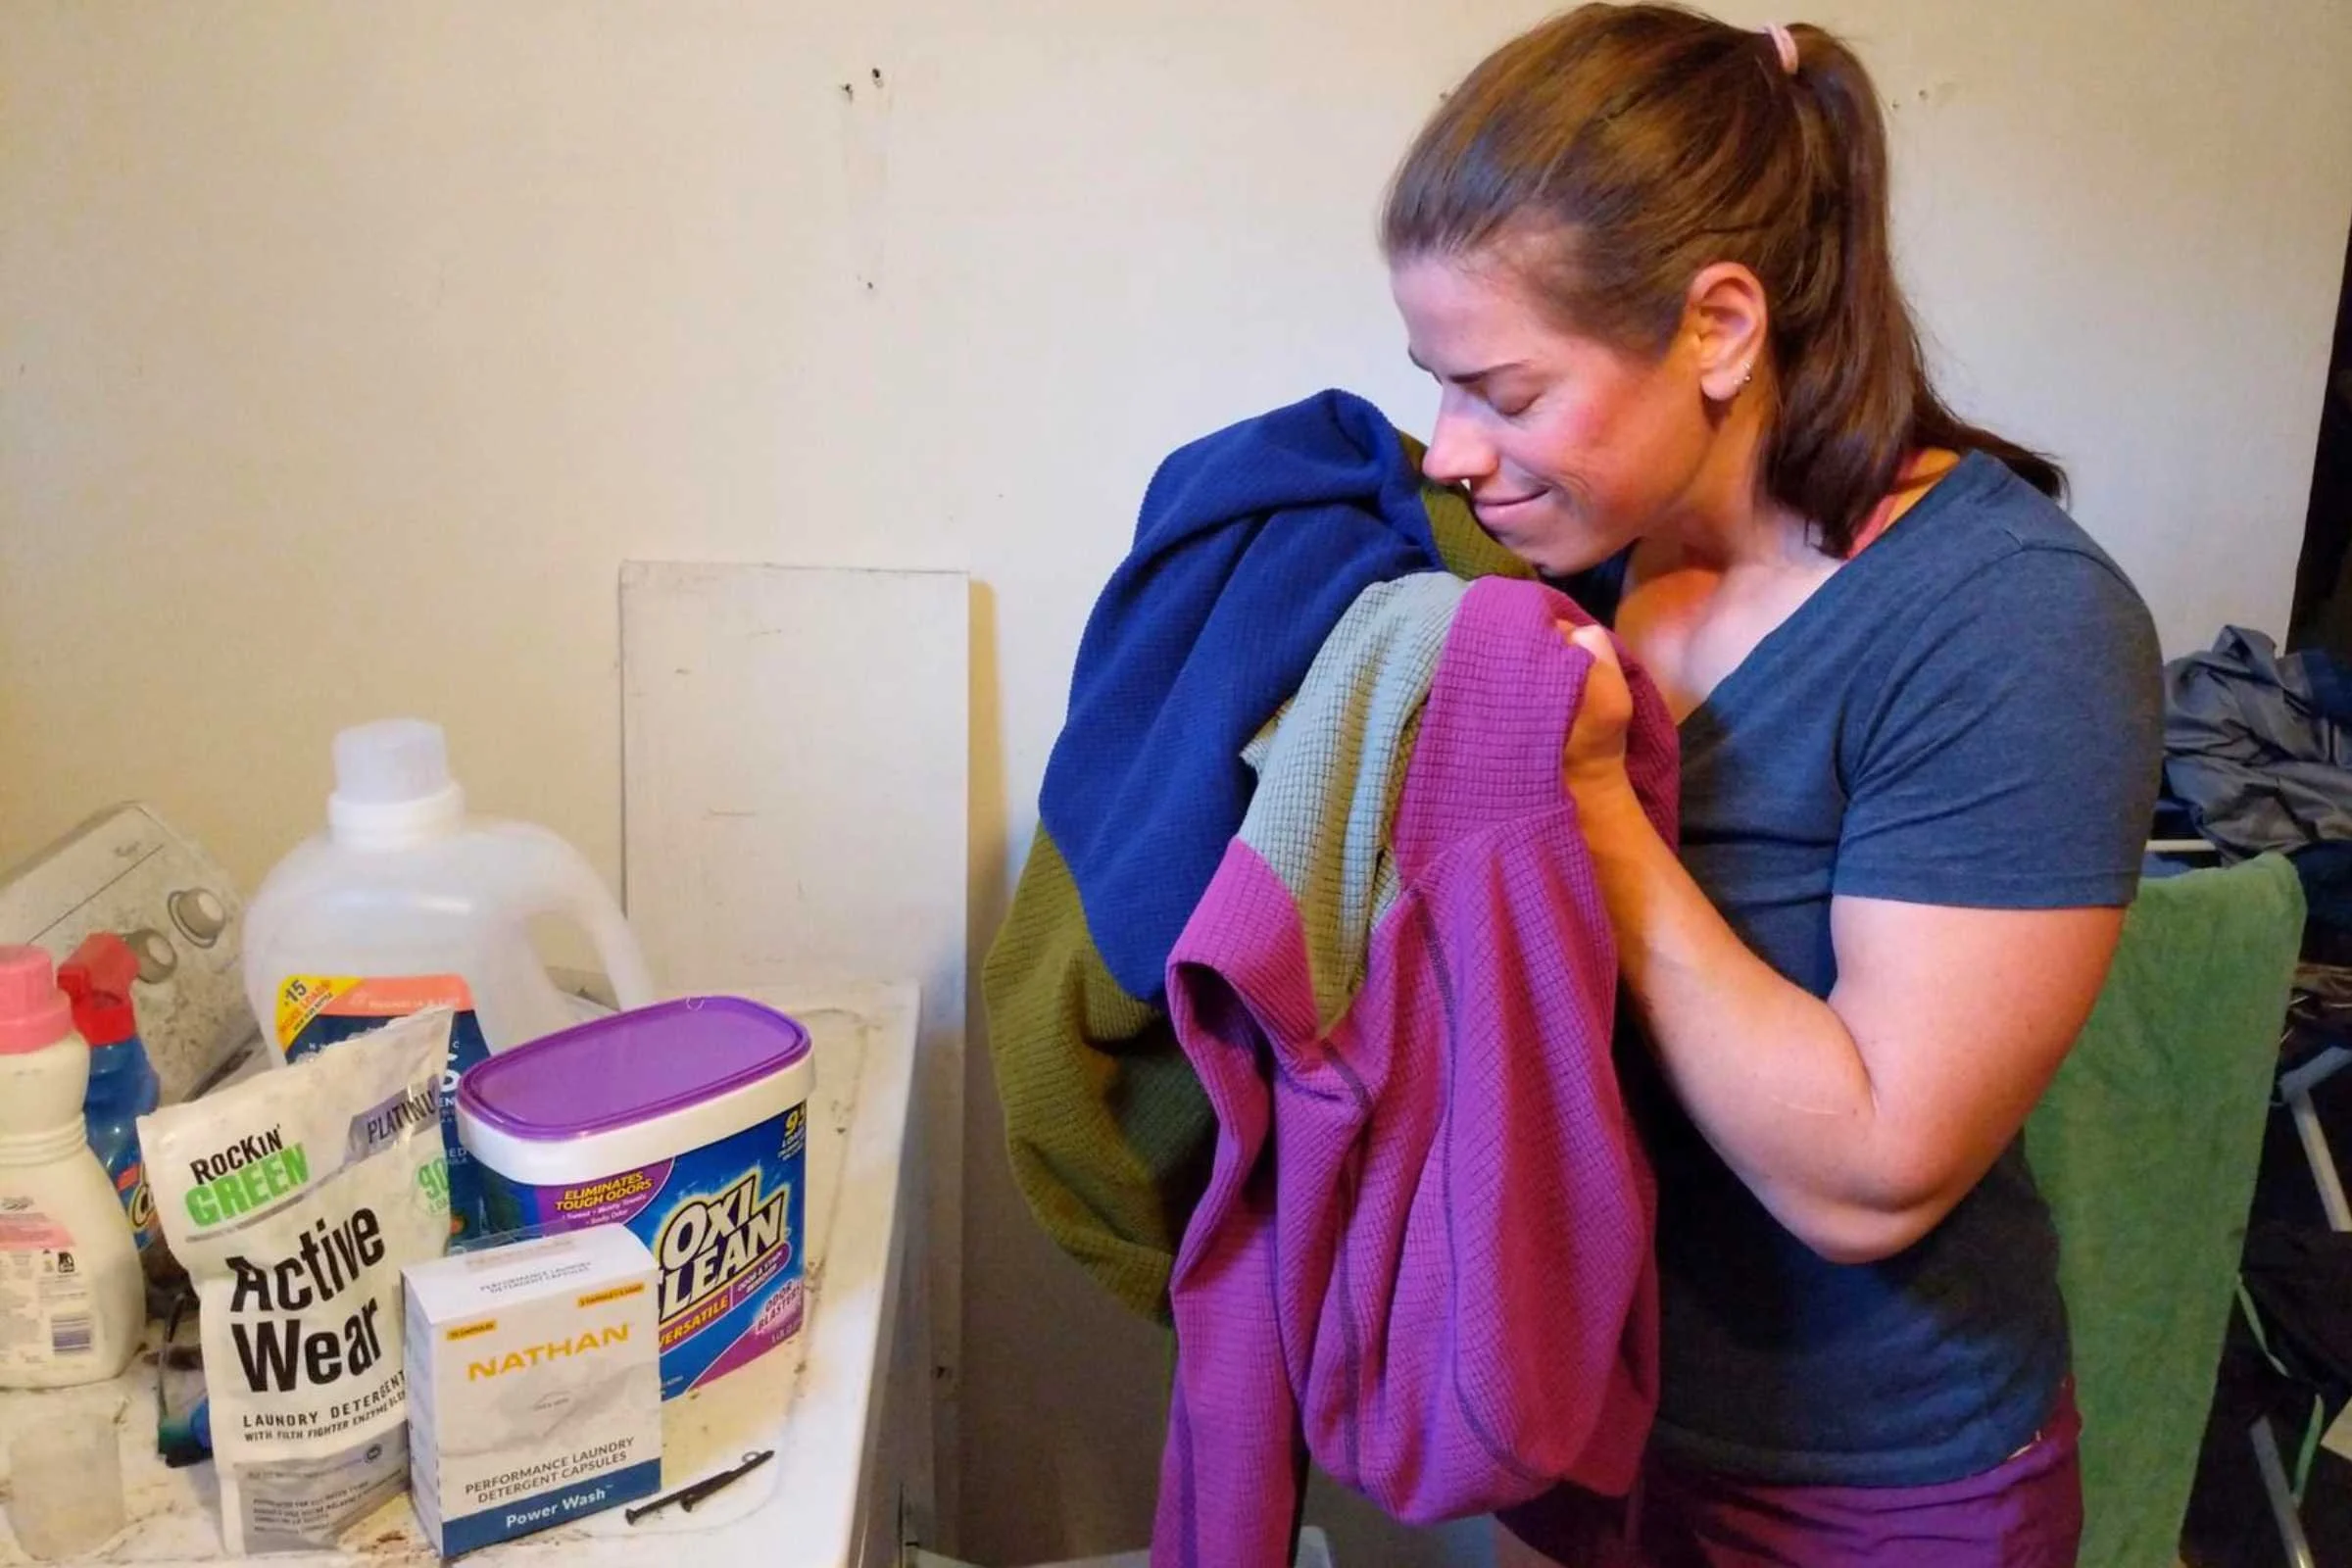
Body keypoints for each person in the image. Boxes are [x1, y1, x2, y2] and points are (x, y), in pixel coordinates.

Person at [1381, 7, 2163, 1565]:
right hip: (1580, 1419)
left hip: (1870, 1491)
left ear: (1721, 327)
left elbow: (1872, 1177)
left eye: (1507, 392)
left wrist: (1592, 804)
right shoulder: (1582, 556)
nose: (1450, 453)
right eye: (1437, 383)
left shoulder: (2011, 621)